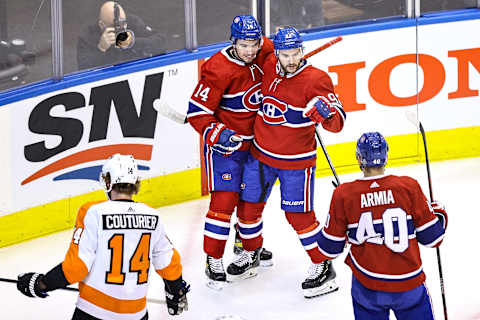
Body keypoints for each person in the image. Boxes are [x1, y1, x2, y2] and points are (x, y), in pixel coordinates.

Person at [227, 26, 346, 298]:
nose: (291, 60)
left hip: (296, 162)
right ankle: (251, 250)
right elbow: (259, 43)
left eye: (296, 53)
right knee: (248, 207)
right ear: (277, 53)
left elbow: (338, 123)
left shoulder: (316, 79)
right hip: (260, 155)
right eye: (285, 54)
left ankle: (323, 265)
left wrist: (325, 114)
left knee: (299, 216)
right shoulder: (268, 64)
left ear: (302, 51)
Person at [16, 154, 190, 320]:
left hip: (93, 313)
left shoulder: (92, 212)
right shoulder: (153, 216)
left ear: (108, 181)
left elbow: (77, 267)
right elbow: (169, 263)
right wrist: (176, 291)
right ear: (135, 182)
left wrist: (41, 284)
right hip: (136, 315)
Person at [317, 132, 448, 319]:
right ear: (386, 156)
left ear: (359, 158)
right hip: (409, 285)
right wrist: (439, 213)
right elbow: (434, 238)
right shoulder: (409, 186)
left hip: (368, 287)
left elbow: (328, 250)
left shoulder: (344, 194)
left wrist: (347, 230)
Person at [186, 15, 274, 290]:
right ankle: (213, 259)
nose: (250, 50)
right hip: (226, 150)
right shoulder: (217, 68)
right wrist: (220, 133)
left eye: (254, 44)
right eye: (244, 45)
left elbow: (286, 55)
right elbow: (197, 113)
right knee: (223, 205)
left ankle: (249, 247)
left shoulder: (265, 51)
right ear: (233, 41)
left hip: (257, 146)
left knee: (252, 204)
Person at [77, 1, 165, 70]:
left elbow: (161, 41)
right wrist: (101, 49)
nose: (121, 29)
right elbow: (83, 68)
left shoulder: (132, 22)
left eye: (123, 23)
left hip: (134, 68)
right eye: (115, 26)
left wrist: (132, 42)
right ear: (102, 25)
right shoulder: (87, 36)